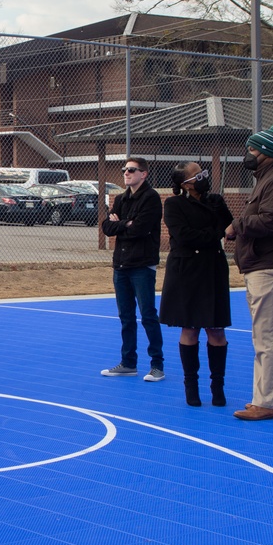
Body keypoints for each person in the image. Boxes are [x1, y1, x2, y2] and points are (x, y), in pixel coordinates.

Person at [225, 124, 273, 421]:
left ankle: (264, 402)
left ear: (267, 152)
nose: (249, 154)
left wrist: (237, 226)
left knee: (266, 336)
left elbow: (270, 221)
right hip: (269, 263)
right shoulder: (270, 178)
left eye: (253, 150)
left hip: (270, 266)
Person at [159, 163, 233, 407]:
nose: (204, 177)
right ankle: (191, 385)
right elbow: (185, 236)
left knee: (216, 329)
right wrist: (215, 234)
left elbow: (229, 229)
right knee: (189, 328)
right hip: (186, 272)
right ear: (185, 184)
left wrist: (216, 233)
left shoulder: (216, 201)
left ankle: (217, 386)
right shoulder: (173, 204)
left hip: (213, 269)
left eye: (203, 173)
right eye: (197, 175)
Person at [100, 157, 165, 381]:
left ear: (143, 174)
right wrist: (124, 223)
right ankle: (128, 363)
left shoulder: (151, 198)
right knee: (126, 316)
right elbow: (107, 227)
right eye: (124, 170)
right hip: (121, 265)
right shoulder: (120, 198)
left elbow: (140, 229)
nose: (126, 173)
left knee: (148, 315)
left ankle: (157, 365)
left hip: (142, 266)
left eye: (131, 170)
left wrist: (124, 224)